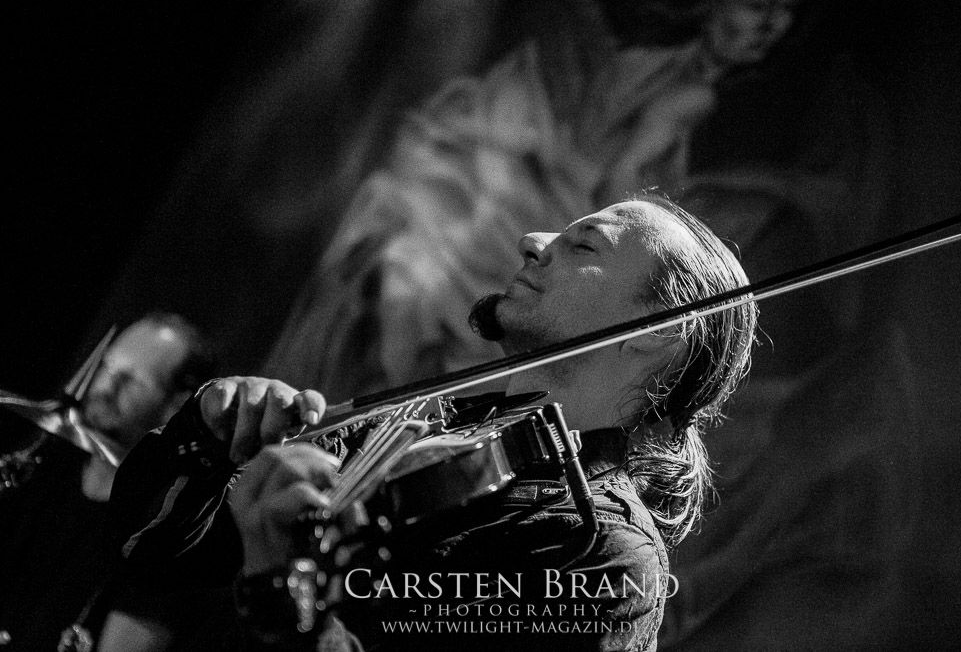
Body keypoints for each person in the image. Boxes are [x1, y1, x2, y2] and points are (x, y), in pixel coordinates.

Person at [96, 195, 757, 651]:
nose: (533, 241)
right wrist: (205, 442)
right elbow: (150, 553)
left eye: (584, 242)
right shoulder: (415, 431)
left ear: (658, 329)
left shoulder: (602, 554)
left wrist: (288, 599)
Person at [0, 313, 217, 652]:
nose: (106, 388)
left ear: (176, 407)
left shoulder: (170, 531)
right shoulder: (45, 460)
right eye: (108, 367)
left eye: (132, 381)